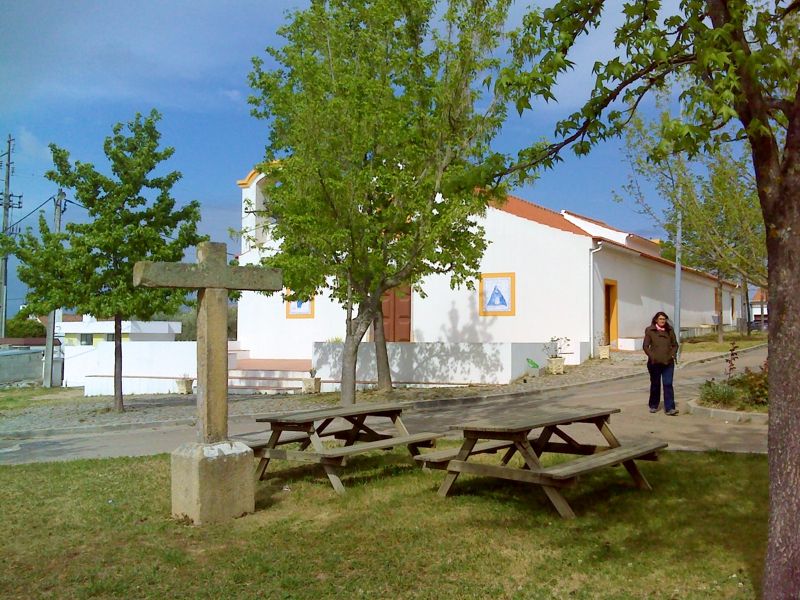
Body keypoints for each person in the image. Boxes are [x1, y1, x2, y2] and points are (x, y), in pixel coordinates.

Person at [643, 311, 679, 415]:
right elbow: (645, 346)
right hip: (654, 363)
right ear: (656, 320)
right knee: (655, 384)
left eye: (664, 319)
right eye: (660, 319)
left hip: (668, 362)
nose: (662, 321)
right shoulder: (650, 330)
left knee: (668, 384)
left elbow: (675, 345)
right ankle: (653, 405)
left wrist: (672, 354)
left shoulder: (670, 330)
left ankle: (669, 408)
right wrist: (652, 356)